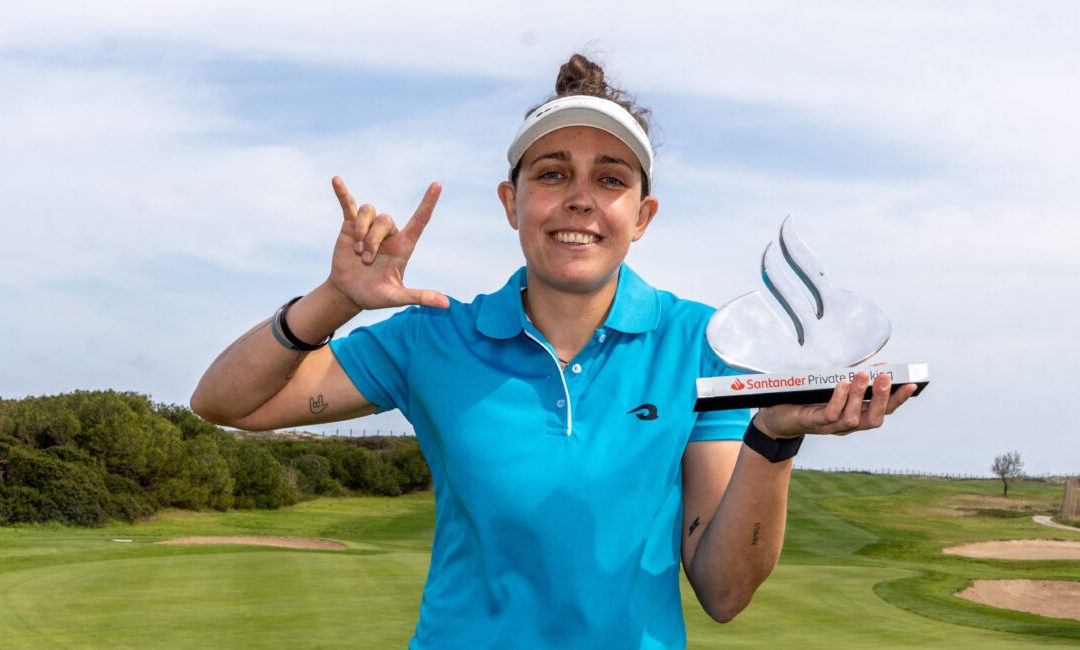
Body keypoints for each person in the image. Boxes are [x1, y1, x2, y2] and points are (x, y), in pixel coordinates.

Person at [191, 53, 916, 649]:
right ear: (511, 203)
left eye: (611, 179)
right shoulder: (433, 335)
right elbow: (226, 403)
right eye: (551, 173)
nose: (580, 199)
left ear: (642, 215)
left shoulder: (700, 344)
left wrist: (774, 438)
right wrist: (335, 299)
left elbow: (724, 593)